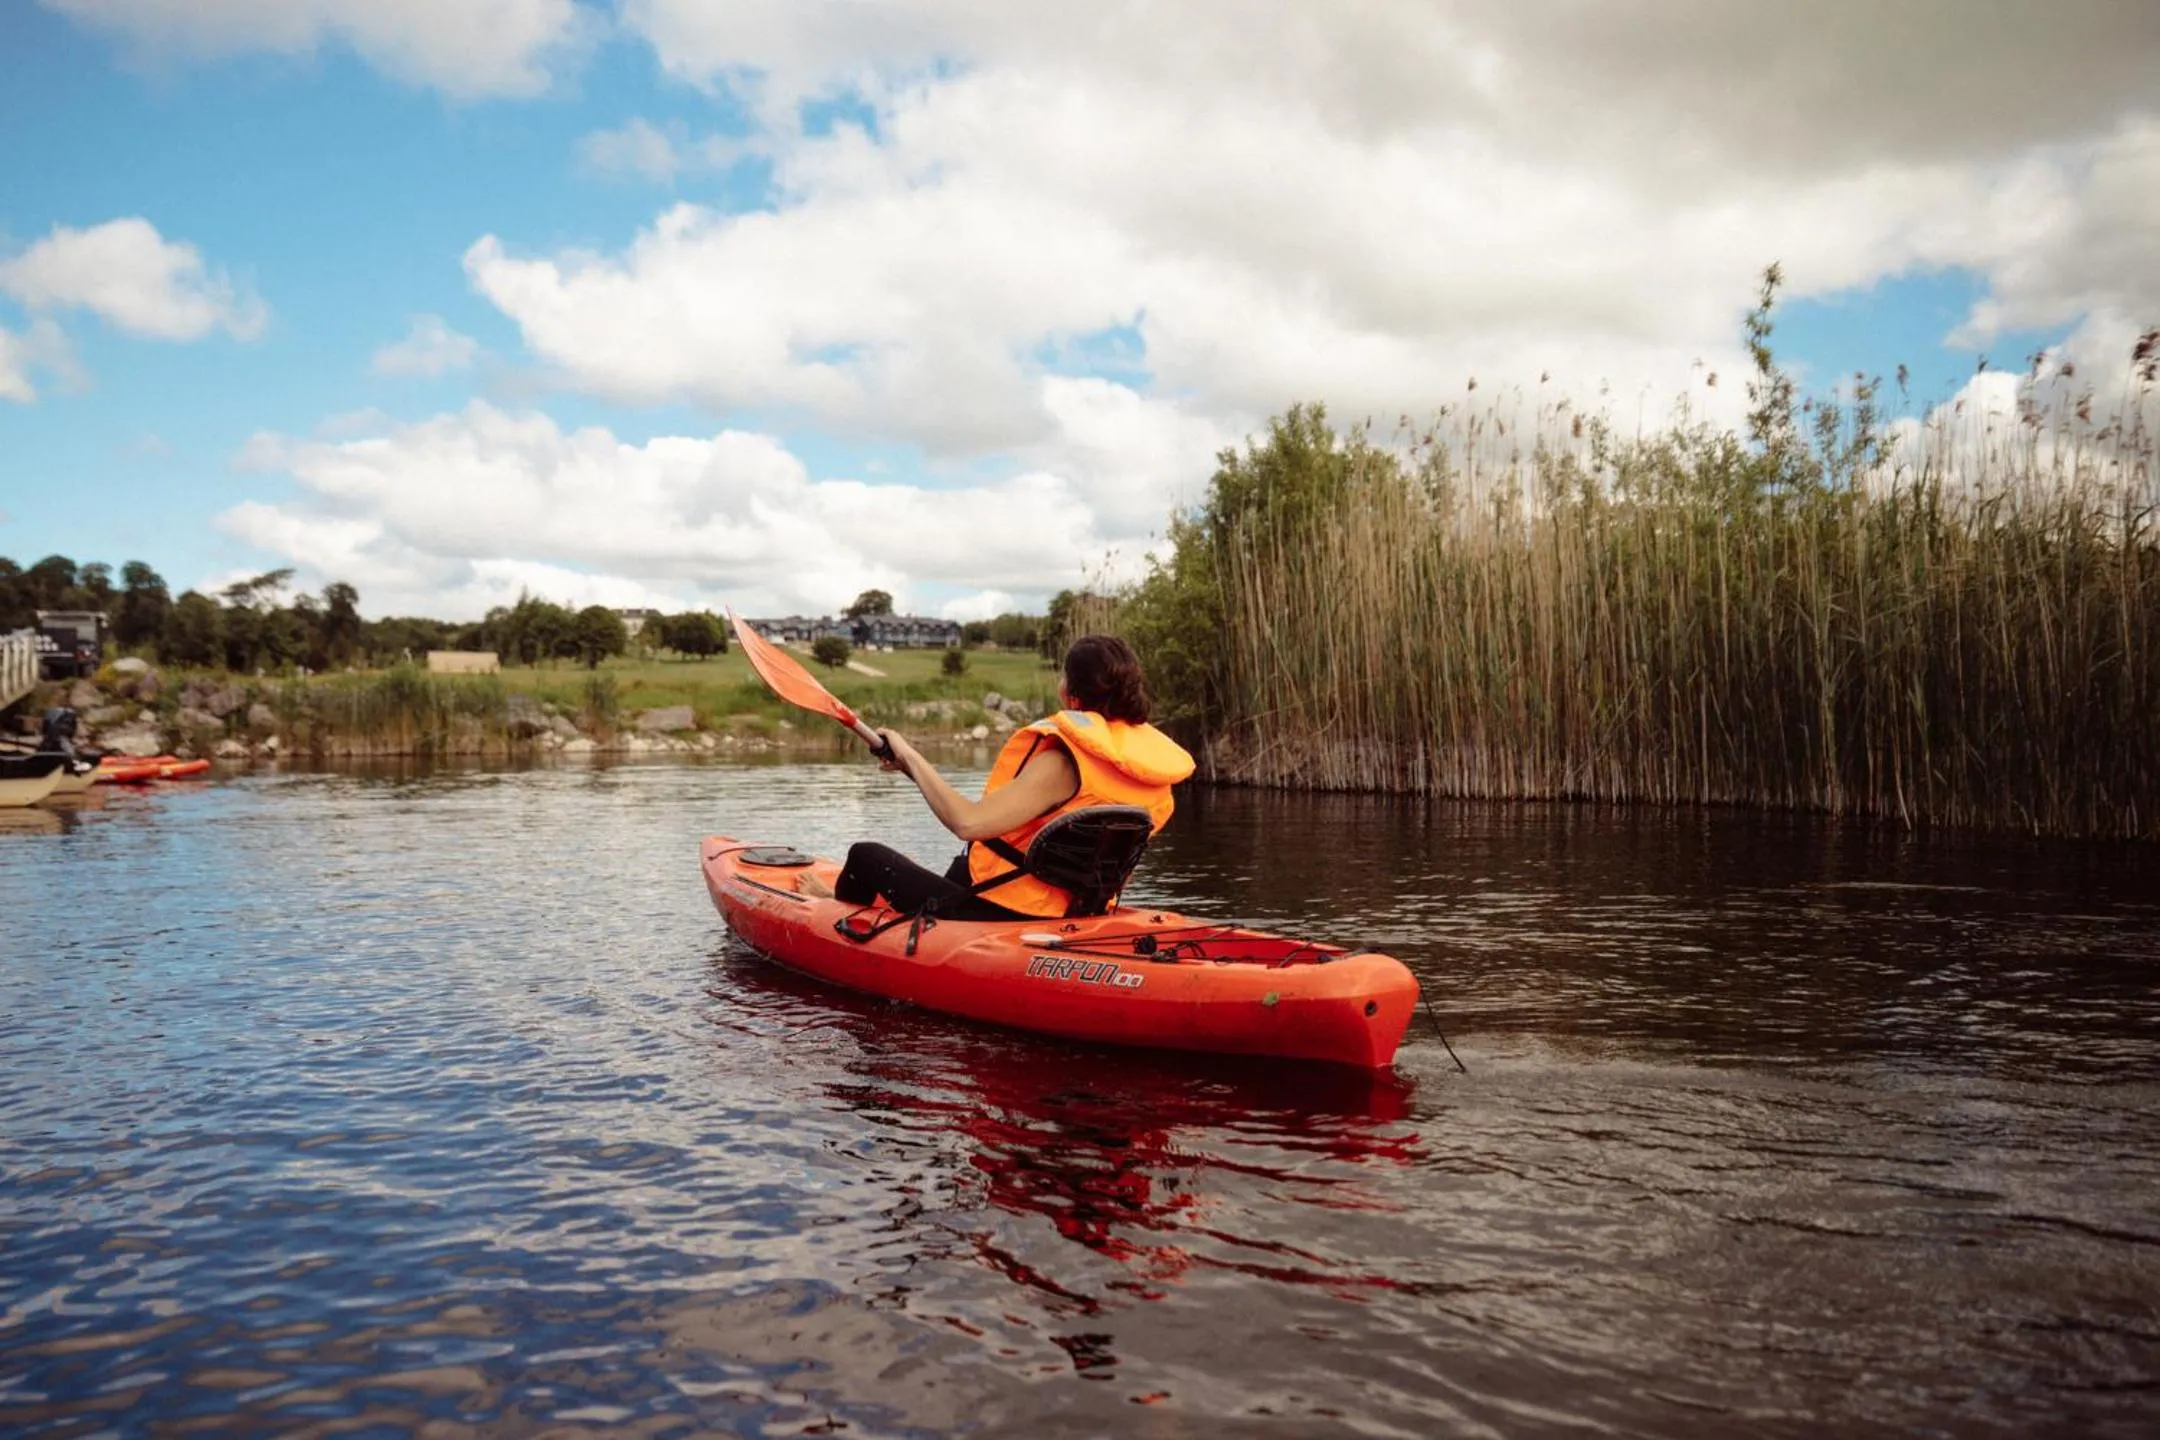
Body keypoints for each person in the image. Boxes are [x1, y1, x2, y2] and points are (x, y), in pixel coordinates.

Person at [800, 634, 1195, 919]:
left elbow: (968, 823)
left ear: (1071, 696)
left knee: (865, 855)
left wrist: (911, 753)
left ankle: (836, 911)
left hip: (1009, 911)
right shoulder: (1143, 770)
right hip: (1078, 909)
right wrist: (910, 767)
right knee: (963, 865)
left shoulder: (1063, 762)